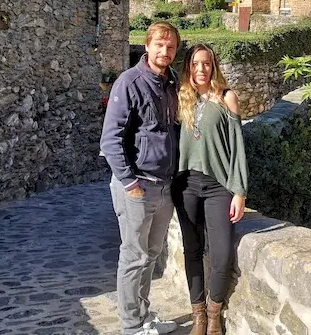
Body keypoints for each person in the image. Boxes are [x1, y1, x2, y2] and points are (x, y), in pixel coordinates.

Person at [100, 21, 181, 335]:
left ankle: (144, 315)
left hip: (164, 186)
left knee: (151, 255)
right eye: (159, 45)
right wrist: (129, 183)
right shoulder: (129, 82)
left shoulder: (171, 82)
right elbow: (111, 140)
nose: (165, 51)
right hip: (137, 186)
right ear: (147, 46)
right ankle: (131, 325)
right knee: (134, 257)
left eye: (170, 46)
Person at [172, 43, 248, 335]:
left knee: (222, 253)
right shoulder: (182, 98)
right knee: (192, 249)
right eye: (195, 64)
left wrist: (239, 191)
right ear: (188, 67)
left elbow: (238, 148)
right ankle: (198, 316)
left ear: (213, 65)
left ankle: (215, 312)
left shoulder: (227, 98)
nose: (201, 69)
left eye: (206, 63)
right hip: (186, 184)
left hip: (218, 187)